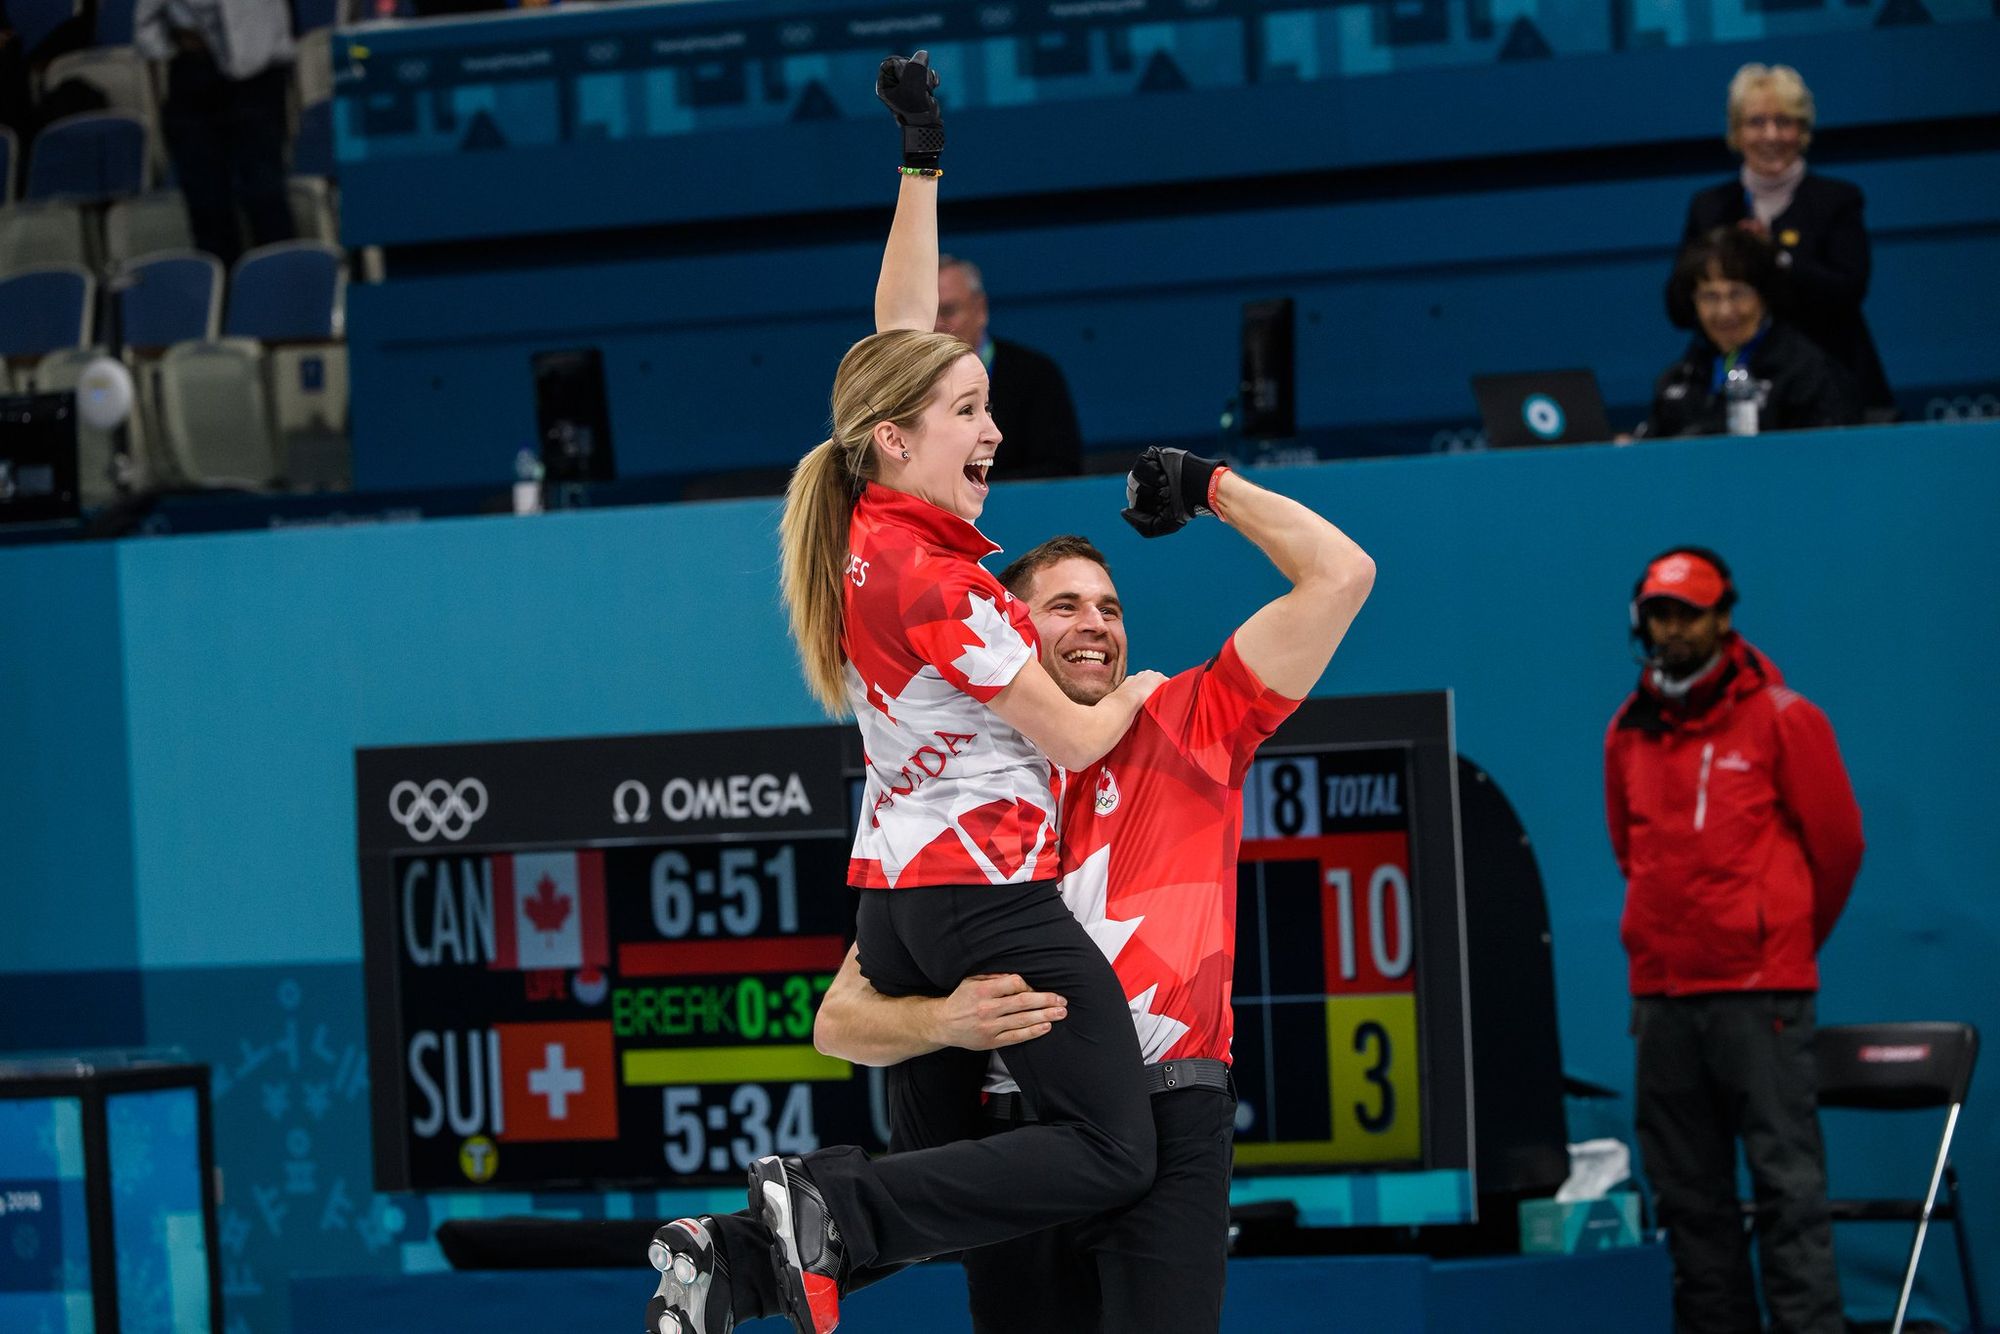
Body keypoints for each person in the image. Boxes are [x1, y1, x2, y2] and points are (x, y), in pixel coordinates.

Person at [648, 454, 1374, 1334]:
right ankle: (734, 1262)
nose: (1096, 624)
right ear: (1007, 635)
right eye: (1063, 606)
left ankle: (734, 1261)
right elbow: (839, 1019)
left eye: (1110, 608)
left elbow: (1342, 574)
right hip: (1015, 1137)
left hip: (1171, 1111)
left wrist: (1208, 487)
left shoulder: (1190, 720)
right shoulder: (962, 781)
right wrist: (945, 1022)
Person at [725, 51, 1167, 1334]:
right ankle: (833, 1206)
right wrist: (1144, 684)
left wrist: (920, 163)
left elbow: (896, 328)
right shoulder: (948, 590)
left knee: (971, 1200)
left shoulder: (866, 519)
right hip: (984, 899)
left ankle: (755, 1249)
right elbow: (1080, 737)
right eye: (968, 411)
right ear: (897, 443)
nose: (992, 430)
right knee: (1110, 1147)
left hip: (898, 906)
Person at [1605, 546, 1864, 1334]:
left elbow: (1838, 847)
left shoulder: (1786, 718)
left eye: (1689, 612)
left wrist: (1775, 940)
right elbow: (1629, 849)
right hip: (1664, 999)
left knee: (1789, 1191)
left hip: (1763, 997)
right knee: (1689, 1199)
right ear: (1641, 621)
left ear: (1723, 617)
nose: (1674, 628)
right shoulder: (1628, 731)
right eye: (1661, 613)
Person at [1664, 63, 1892, 416]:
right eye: (1756, 122)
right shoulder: (1710, 208)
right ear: (1736, 133)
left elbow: (1848, 290)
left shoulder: (1837, 200)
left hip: (1828, 389)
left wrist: (1777, 257)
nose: (1771, 135)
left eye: (1784, 122)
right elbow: (1679, 307)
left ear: (1802, 131)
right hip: (1732, 393)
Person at [1639, 227, 1855, 439]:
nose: (1725, 312)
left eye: (1738, 294)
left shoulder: (1808, 372)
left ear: (1765, 296)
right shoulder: (1679, 379)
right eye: (1710, 297)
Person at [135, 0, 298, 266]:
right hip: (191, 67)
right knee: (206, 203)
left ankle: (282, 289)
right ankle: (223, 295)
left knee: (263, 192)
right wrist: (162, 46)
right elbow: (148, 20)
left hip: (258, 73)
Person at [935, 255, 1085, 478]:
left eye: (948, 311)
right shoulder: (901, 382)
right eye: (928, 313)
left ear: (980, 309)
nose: (936, 324)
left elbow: (1061, 470)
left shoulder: (1035, 374)